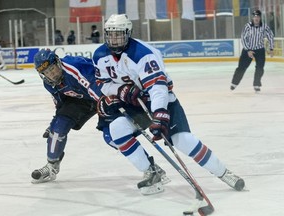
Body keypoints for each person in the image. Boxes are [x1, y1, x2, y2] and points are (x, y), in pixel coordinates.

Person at [93, 14, 245, 195]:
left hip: (162, 102)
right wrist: (121, 91)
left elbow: (158, 87)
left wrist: (160, 114)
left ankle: (223, 172)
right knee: (117, 129)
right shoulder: (100, 55)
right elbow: (102, 83)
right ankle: (151, 172)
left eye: (118, 34)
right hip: (136, 105)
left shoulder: (144, 54)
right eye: (110, 35)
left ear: (128, 33)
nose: (114, 39)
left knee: (182, 141)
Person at [31, 49, 102, 183]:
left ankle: (148, 166)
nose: (51, 74)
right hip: (83, 101)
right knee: (58, 128)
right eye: (46, 72)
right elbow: (61, 104)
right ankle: (52, 165)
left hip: (103, 94)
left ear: (58, 63)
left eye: (52, 68)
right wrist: (54, 123)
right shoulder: (49, 84)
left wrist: (111, 106)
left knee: (114, 134)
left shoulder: (73, 68)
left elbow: (97, 87)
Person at [230, 10, 274, 92]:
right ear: (252, 17)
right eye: (254, 17)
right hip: (248, 49)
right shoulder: (247, 26)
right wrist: (248, 50)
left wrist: (271, 48)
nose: (256, 18)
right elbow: (243, 38)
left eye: (257, 17)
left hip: (260, 50)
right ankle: (234, 83)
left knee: (260, 68)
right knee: (241, 67)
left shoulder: (265, 27)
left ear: (260, 17)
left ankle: (256, 84)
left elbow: (270, 36)